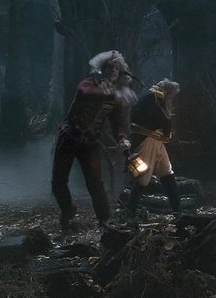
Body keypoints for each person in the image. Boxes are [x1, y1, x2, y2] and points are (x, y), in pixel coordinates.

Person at [52, 50, 136, 228]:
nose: (113, 71)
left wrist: (122, 138)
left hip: (89, 143)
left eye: (116, 68)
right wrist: (117, 94)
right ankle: (67, 210)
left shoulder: (115, 95)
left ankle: (105, 221)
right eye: (110, 67)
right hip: (68, 137)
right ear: (103, 68)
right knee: (58, 182)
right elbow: (87, 92)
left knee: (95, 184)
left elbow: (118, 122)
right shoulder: (89, 83)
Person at [125, 78, 181, 216]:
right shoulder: (153, 101)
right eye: (171, 95)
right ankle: (130, 213)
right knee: (142, 178)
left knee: (167, 173)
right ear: (167, 92)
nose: (171, 99)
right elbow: (163, 121)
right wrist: (164, 134)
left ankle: (178, 212)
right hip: (147, 141)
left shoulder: (152, 100)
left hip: (155, 141)